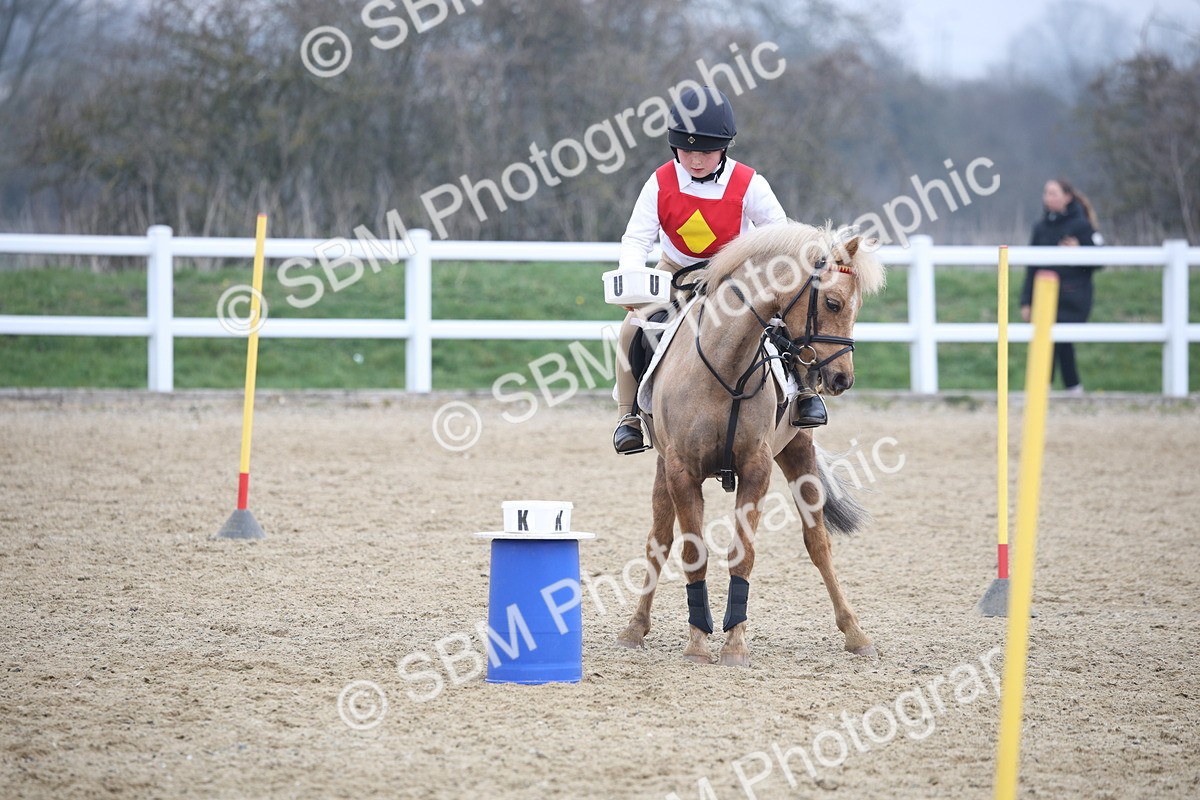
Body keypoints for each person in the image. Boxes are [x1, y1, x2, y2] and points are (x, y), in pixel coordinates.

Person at [612, 85, 788, 454]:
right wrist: (632, 283)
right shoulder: (659, 182)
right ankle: (627, 417)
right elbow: (636, 239)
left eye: (705, 151)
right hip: (676, 273)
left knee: (786, 322)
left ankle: (803, 396)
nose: (695, 160)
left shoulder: (750, 183)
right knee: (632, 329)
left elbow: (780, 234)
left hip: (736, 277)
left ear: (724, 148)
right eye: (687, 149)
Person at [1020, 178, 1103, 395]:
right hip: (1044, 295)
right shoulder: (1040, 228)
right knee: (1045, 341)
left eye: (1054, 193)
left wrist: (1080, 251)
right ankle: (1061, 388)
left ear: (1067, 196)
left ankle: (1064, 388)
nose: (1049, 197)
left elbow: (1100, 262)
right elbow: (1032, 266)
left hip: (1073, 297)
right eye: (1046, 193)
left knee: (1061, 340)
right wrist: (1026, 300)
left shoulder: (1082, 225)